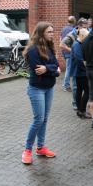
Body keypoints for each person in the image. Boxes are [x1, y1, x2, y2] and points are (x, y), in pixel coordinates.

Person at [21, 22, 60, 165]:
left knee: (44, 119)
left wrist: (49, 69)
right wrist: (53, 70)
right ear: (41, 33)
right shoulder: (33, 50)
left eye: (52, 31)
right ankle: (27, 150)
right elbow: (37, 69)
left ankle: (40, 147)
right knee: (38, 119)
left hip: (49, 88)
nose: (52, 34)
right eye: (49, 32)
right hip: (36, 89)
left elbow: (56, 65)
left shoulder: (49, 47)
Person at [60, 18, 89, 110]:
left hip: (82, 60)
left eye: (87, 26)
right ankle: (75, 103)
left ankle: (83, 102)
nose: (86, 28)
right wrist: (73, 51)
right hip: (74, 60)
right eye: (84, 26)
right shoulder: (72, 34)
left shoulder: (85, 33)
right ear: (79, 26)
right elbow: (61, 45)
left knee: (82, 85)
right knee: (76, 84)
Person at [71, 28, 91, 119]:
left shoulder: (79, 44)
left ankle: (80, 110)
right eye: (86, 37)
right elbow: (80, 60)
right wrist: (87, 69)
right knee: (87, 91)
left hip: (79, 72)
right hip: (81, 72)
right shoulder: (77, 45)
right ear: (82, 36)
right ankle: (82, 110)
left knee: (79, 90)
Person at [60, 16, 76, 92]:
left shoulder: (63, 29)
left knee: (68, 68)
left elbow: (61, 39)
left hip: (64, 51)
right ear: (74, 21)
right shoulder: (73, 29)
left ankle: (66, 84)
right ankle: (66, 85)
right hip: (70, 51)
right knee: (69, 69)